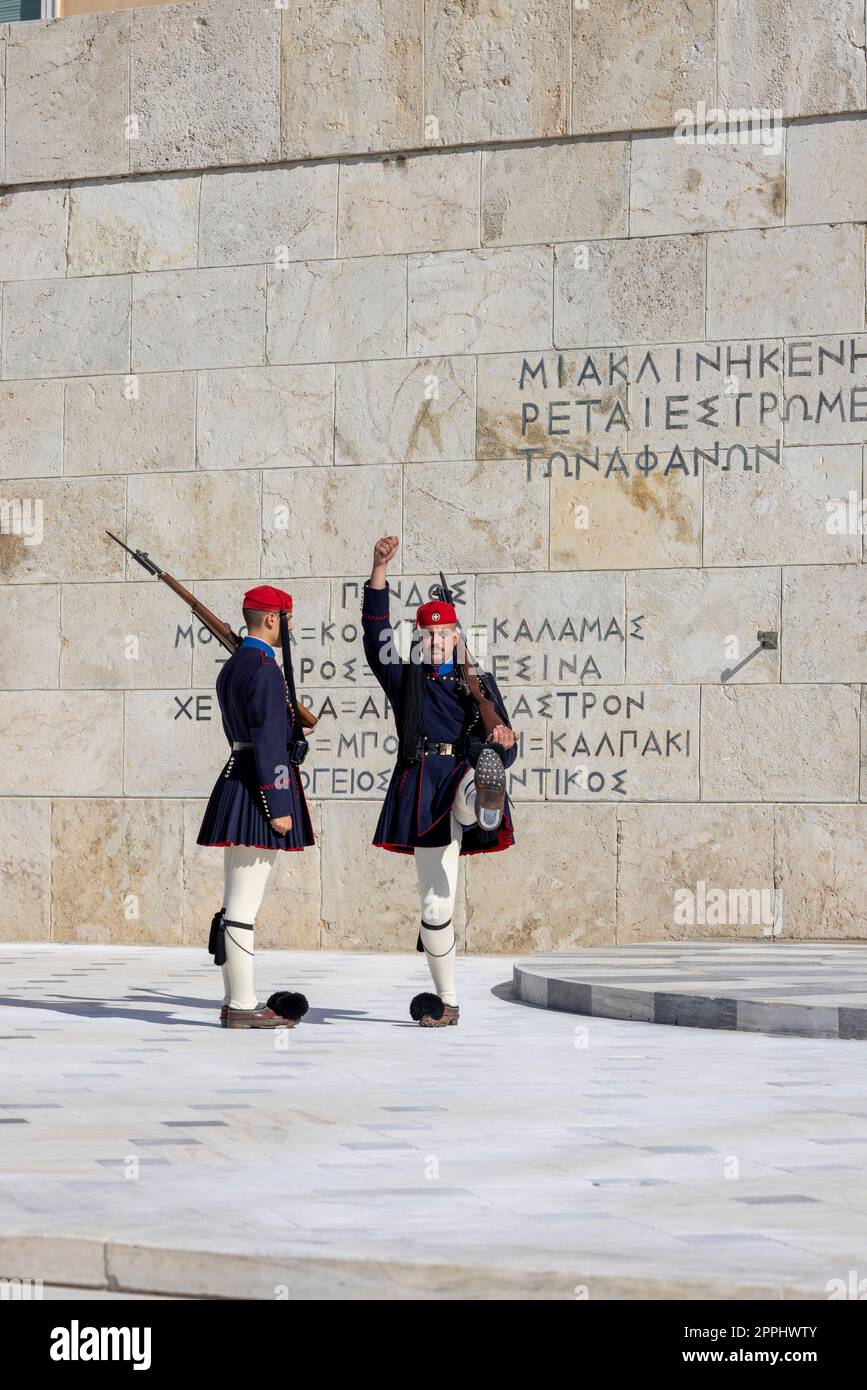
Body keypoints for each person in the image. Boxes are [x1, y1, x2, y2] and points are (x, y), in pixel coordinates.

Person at [361, 537, 518, 1027]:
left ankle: (479, 798)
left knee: (478, 775)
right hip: (422, 787)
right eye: (427, 636)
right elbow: (373, 634)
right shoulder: (405, 679)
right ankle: (447, 1000)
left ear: (456, 637)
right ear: (419, 640)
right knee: (434, 904)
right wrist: (378, 571)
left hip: (462, 773)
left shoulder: (479, 684)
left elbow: (508, 748)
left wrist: (504, 738)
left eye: (444, 634)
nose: (435, 642)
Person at [197, 585, 314, 1029]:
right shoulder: (264, 668)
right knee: (243, 907)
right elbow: (268, 742)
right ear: (271, 619)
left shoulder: (235, 665)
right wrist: (280, 804)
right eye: (287, 619)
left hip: (238, 781)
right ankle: (244, 1006)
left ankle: (235, 1000)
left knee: (233, 905)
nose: (289, 627)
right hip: (258, 790)